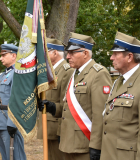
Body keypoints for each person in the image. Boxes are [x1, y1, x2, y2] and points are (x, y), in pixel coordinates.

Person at [40, 32, 112, 160]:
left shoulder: (98, 74)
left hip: (84, 143)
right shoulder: (75, 74)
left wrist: (96, 146)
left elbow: (100, 115)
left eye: (72, 53)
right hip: (68, 142)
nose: (68, 57)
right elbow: (66, 108)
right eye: (68, 53)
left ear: (85, 53)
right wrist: (52, 107)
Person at [100, 32, 140, 160]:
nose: (111, 58)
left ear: (129, 57)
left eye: (115, 54)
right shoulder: (119, 81)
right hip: (110, 153)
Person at [0, 44, 27, 160]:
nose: (0, 58)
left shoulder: (17, 74)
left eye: (4, 55)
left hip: (9, 121)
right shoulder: (3, 75)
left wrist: (12, 123)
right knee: (6, 156)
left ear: (14, 56)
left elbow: (18, 100)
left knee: (15, 156)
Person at [37, 38, 74, 160]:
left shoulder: (67, 71)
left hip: (57, 126)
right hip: (47, 124)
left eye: (45, 52)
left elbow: (66, 103)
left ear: (54, 53)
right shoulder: (48, 71)